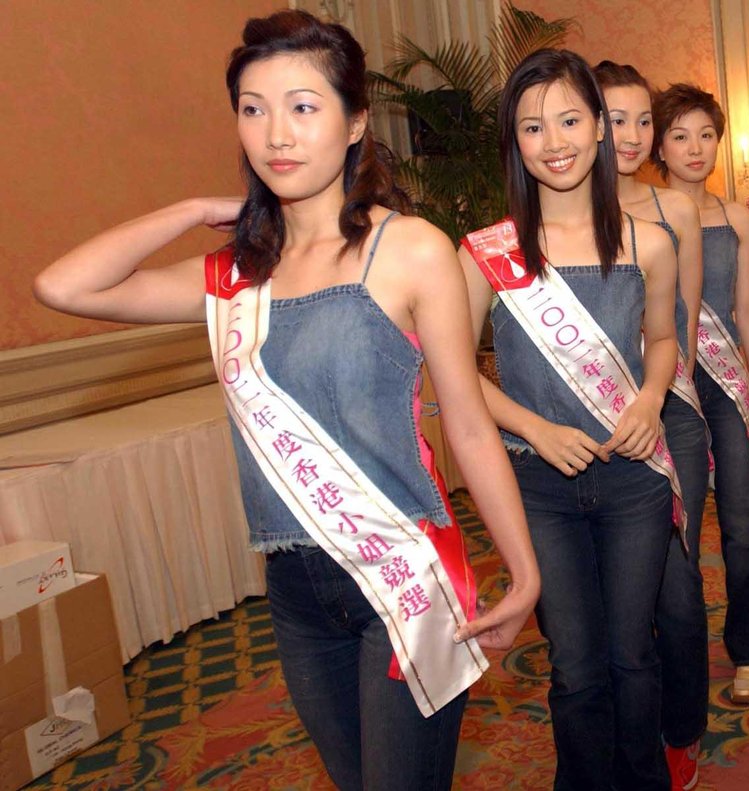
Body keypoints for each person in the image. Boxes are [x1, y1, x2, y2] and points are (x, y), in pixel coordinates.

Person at [33, 11, 540, 790]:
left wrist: (523, 570)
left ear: (354, 123)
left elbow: (468, 424)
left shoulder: (407, 248)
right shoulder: (238, 275)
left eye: (303, 106)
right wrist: (192, 213)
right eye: (252, 107)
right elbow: (64, 286)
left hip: (400, 575)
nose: (276, 132)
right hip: (296, 589)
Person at [458, 49, 681, 790]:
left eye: (568, 119)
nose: (553, 141)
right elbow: (450, 377)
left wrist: (650, 396)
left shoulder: (647, 242)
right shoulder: (486, 254)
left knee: (632, 654)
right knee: (577, 666)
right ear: (513, 143)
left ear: (597, 128)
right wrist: (534, 426)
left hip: (633, 481)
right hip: (536, 484)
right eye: (531, 127)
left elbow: (662, 339)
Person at [594, 62, 709, 791]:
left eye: (643, 121)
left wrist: (653, 399)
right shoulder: (550, 217)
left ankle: (682, 723)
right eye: (614, 120)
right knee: (606, 602)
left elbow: (684, 330)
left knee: (674, 584)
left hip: (668, 418)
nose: (631, 137)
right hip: (585, 435)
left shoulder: (677, 211)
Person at [655, 82, 749, 708]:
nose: (695, 148)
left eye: (706, 134)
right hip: (667, 383)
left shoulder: (735, 217)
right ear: (658, 144)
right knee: (677, 528)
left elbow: (746, 311)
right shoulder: (640, 217)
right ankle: (678, 658)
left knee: (740, 520)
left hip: (725, 380)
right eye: (680, 135)